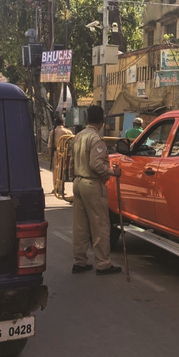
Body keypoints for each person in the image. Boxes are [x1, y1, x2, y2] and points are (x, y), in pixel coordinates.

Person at [70, 105, 123, 275]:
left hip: (78, 181)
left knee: (80, 226)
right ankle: (103, 264)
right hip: (92, 184)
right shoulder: (95, 139)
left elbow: (71, 162)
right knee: (100, 225)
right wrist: (113, 172)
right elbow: (96, 165)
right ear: (102, 120)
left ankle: (80, 262)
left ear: (87, 119)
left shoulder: (78, 136)